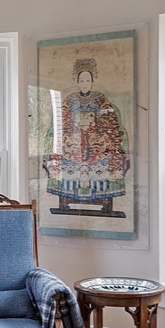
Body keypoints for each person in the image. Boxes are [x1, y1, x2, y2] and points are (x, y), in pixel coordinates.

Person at [44, 58, 129, 215]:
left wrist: (94, 130)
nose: (84, 83)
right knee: (61, 149)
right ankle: (65, 200)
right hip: (74, 138)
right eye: (81, 80)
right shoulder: (70, 100)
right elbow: (61, 121)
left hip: (96, 136)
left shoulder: (100, 98)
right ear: (77, 82)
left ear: (92, 82)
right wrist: (76, 130)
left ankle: (104, 200)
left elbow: (108, 119)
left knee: (109, 148)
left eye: (87, 80)